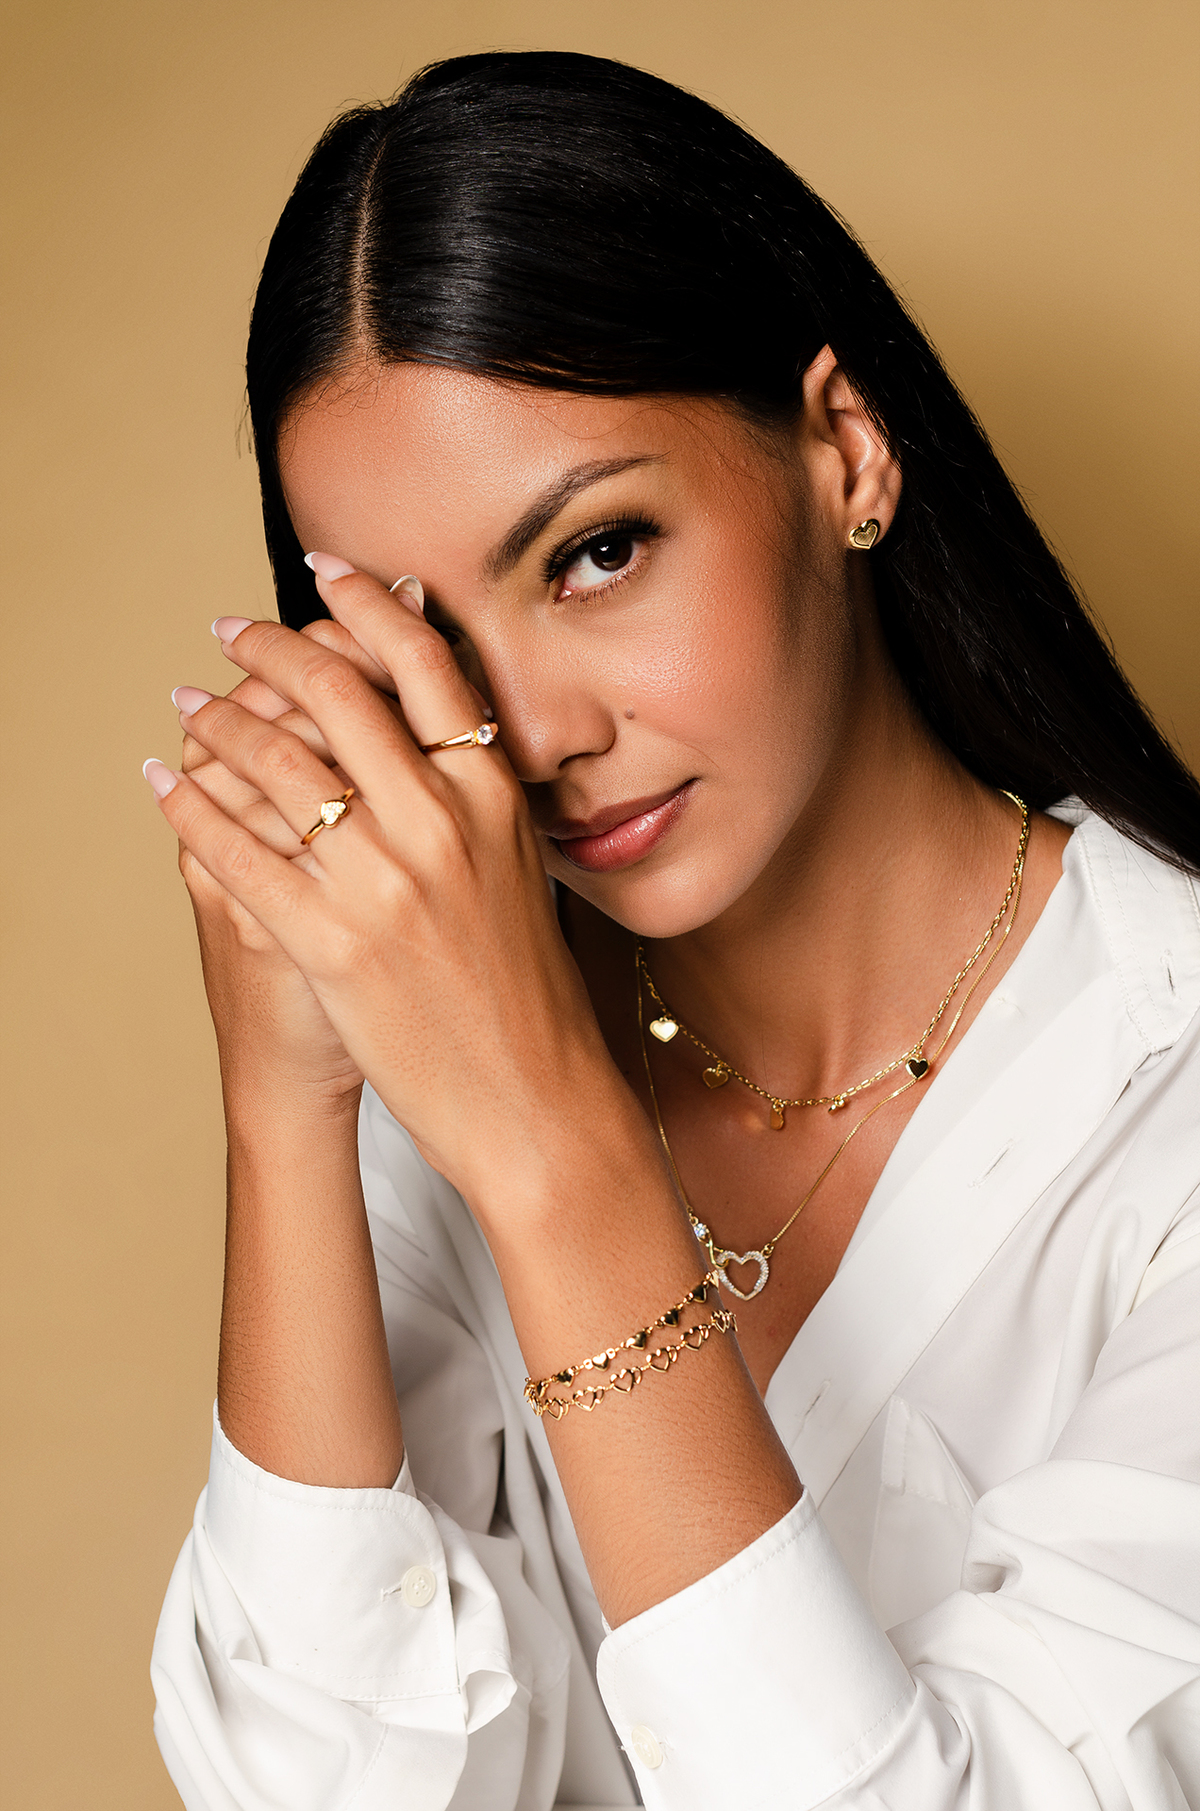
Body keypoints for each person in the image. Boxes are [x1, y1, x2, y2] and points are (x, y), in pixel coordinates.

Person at [145, 50, 1200, 1811]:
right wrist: (286, 1104)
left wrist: (557, 1160)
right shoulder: (445, 1073)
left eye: (596, 553)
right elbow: (321, 1785)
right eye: (426, 645)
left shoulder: (1164, 1087)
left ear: (844, 449)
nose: (534, 733)